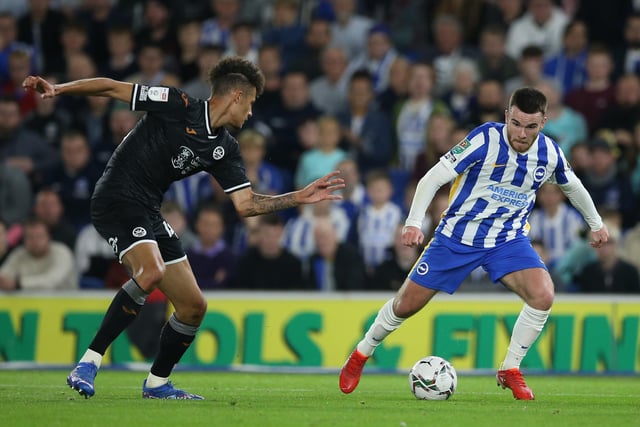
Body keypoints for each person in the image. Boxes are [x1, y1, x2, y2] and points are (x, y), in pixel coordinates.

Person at [23, 56, 344, 400]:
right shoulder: (177, 104)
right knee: (150, 272)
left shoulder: (224, 148)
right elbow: (112, 87)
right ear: (237, 96)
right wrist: (59, 88)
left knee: (193, 306)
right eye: (250, 104)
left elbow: (247, 205)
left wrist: (299, 196)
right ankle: (88, 362)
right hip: (115, 198)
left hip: (148, 209)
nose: (250, 113)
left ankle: (157, 383)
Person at [339, 87, 608, 400]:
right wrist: (414, 222)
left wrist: (596, 224)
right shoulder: (483, 139)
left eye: (531, 126)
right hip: (457, 237)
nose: (521, 133)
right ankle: (359, 355)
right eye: (517, 123)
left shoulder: (549, 153)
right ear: (507, 116)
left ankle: (510, 369)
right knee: (406, 304)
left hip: (507, 240)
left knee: (543, 294)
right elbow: (432, 178)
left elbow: (573, 187)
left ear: (544, 123)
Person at [0, 216, 78, 291]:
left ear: (49, 237)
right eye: (30, 237)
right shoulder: (19, 254)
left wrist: (18, 284)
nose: (35, 241)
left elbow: (51, 281)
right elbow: (3, 277)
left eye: (39, 236)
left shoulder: (62, 252)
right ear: (23, 239)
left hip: (66, 303)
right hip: (28, 303)